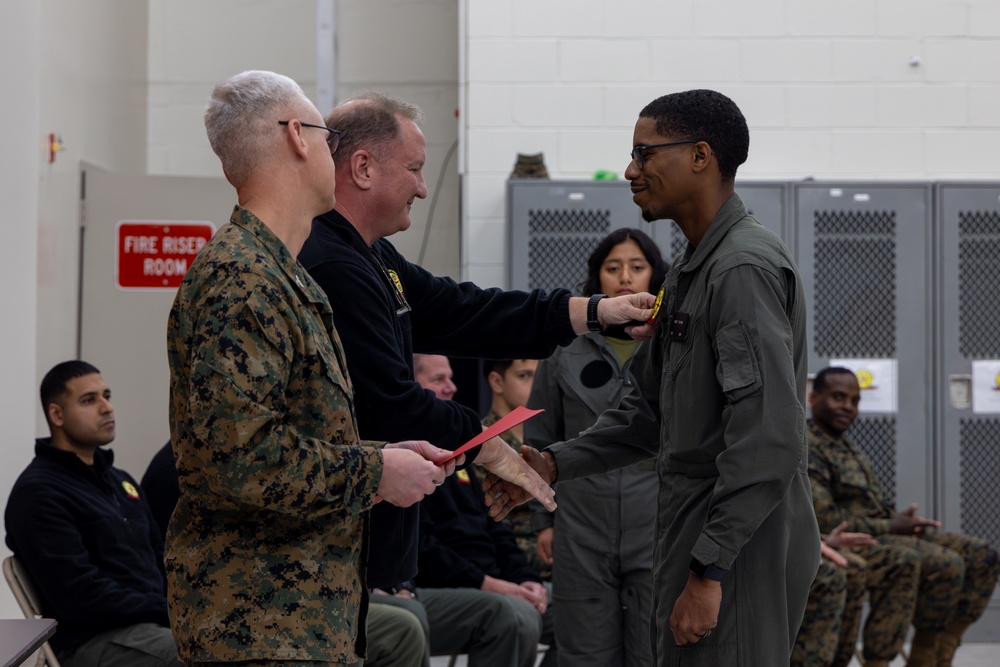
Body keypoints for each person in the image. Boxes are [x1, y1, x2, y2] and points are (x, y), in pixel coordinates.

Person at [485, 89, 820, 666]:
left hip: (737, 543)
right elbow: (646, 412)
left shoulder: (740, 269)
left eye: (644, 152)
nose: (630, 170)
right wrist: (554, 463)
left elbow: (768, 437)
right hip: (697, 532)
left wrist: (710, 570)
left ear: (699, 156)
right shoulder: (694, 267)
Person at [297, 92, 650, 605]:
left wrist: (595, 311)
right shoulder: (333, 264)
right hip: (333, 550)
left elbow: (462, 309)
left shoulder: (371, 256)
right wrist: (485, 443)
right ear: (363, 167)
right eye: (415, 169)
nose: (422, 187)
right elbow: (390, 402)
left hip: (363, 553)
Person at [166, 70, 458, 666]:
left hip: (299, 617)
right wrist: (374, 471)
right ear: (298, 137)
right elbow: (240, 460)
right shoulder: (243, 279)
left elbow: (290, 438)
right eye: (327, 136)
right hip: (259, 622)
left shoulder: (283, 272)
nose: (335, 151)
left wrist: (382, 453)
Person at [140, 442, 427, 667]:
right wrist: (377, 466)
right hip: (256, 607)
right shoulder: (175, 469)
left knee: (403, 623)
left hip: (316, 591)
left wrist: (382, 456)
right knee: (402, 624)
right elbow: (256, 459)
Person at [525, 227, 667, 667]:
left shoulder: (672, 344)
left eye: (637, 267)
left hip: (658, 523)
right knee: (584, 654)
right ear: (597, 278)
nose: (625, 276)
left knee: (653, 654)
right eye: (613, 267)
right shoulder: (566, 348)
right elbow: (540, 439)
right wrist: (541, 521)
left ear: (655, 277)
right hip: (581, 524)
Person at [807, 366, 1000, 667]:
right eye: (838, 397)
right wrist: (892, 525)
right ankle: (881, 660)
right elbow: (828, 520)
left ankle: (935, 654)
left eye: (855, 401)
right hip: (847, 540)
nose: (848, 407)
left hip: (879, 529)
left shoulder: (846, 446)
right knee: (940, 563)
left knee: (982, 555)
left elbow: (866, 507)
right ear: (813, 397)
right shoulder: (809, 446)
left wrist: (901, 520)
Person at [4, 360, 178, 667]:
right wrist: (163, 609)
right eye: (89, 400)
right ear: (57, 414)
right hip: (90, 641)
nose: (106, 407)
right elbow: (80, 597)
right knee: (203, 657)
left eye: (106, 396)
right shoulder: (39, 493)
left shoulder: (121, 481)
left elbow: (162, 559)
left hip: (154, 625)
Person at [412, 355, 556, 667]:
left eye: (451, 377)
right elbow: (423, 550)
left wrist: (524, 578)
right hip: (452, 586)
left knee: (575, 607)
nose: (452, 388)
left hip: (495, 578)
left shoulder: (458, 453)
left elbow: (496, 528)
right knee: (512, 615)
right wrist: (490, 584)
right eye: (438, 380)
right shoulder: (404, 458)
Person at [481, 358, 548, 580]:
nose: (536, 385)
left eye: (538, 376)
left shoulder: (547, 439)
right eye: (524, 376)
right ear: (497, 382)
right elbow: (492, 524)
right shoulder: (484, 447)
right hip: (519, 562)